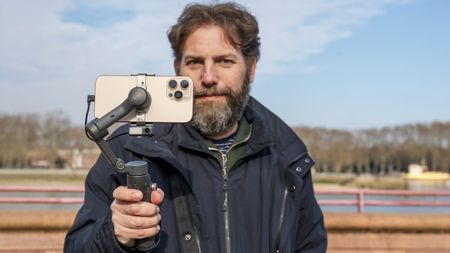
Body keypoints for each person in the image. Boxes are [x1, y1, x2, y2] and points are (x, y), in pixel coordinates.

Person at [64, 2, 327, 253]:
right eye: (195, 62)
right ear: (177, 69)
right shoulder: (127, 149)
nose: (209, 78)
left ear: (251, 68)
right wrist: (115, 235)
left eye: (225, 61)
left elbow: (310, 245)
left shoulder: (288, 155)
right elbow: (77, 247)